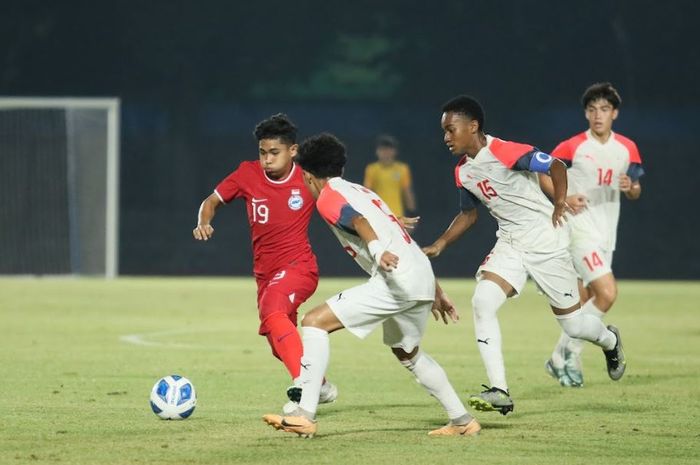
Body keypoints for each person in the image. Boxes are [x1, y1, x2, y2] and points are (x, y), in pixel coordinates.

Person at [263, 133, 480, 438]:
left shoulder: (329, 196)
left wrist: (378, 253)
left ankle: (304, 414)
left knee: (313, 323)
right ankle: (462, 421)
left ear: (308, 175)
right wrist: (436, 290)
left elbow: (360, 223)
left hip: (397, 279)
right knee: (407, 352)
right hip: (419, 275)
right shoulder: (362, 191)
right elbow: (400, 236)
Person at [422, 95, 626, 415]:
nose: (446, 137)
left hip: (548, 242)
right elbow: (468, 215)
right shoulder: (463, 172)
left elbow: (556, 165)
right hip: (511, 244)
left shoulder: (506, 152)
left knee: (573, 326)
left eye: (451, 129)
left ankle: (610, 341)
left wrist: (559, 201)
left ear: (472, 126)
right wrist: (441, 243)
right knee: (483, 301)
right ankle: (499, 390)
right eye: (444, 131)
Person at [193, 114, 337, 407]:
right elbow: (211, 202)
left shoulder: (308, 177)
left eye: (274, 152)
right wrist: (203, 221)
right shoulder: (247, 174)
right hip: (265, 275)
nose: (267, 159)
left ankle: (305, 388)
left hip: (300, 267)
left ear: (292, 151)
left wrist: (385, 220)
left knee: (273, 312)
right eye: (262, 152)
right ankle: (320, 386)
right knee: (277, 342)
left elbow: (344, 203)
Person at [539, 83, 644, 387]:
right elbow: (542, 172)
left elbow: (636, 188)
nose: (598, 115)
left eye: (605, 109)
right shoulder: (572, 147)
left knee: (583, 301)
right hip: (578, 230)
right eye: (593, 109)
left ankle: (560, 358)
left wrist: (631, 188)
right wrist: (562, 199)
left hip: (606, 233)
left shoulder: (627, 148)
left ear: (615, 113)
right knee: (607, 294)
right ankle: (573, 352)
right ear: (586, 113)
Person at [363, 134, 416, 218]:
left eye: (388, 149)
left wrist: (412, 212)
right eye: (382, 149)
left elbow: (407, 191)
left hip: (398, 215)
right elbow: (367, 192)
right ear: (377, 151)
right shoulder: (372, 169)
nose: (385, 152)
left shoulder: (402, 169)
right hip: (379, 214)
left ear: (395, 151)